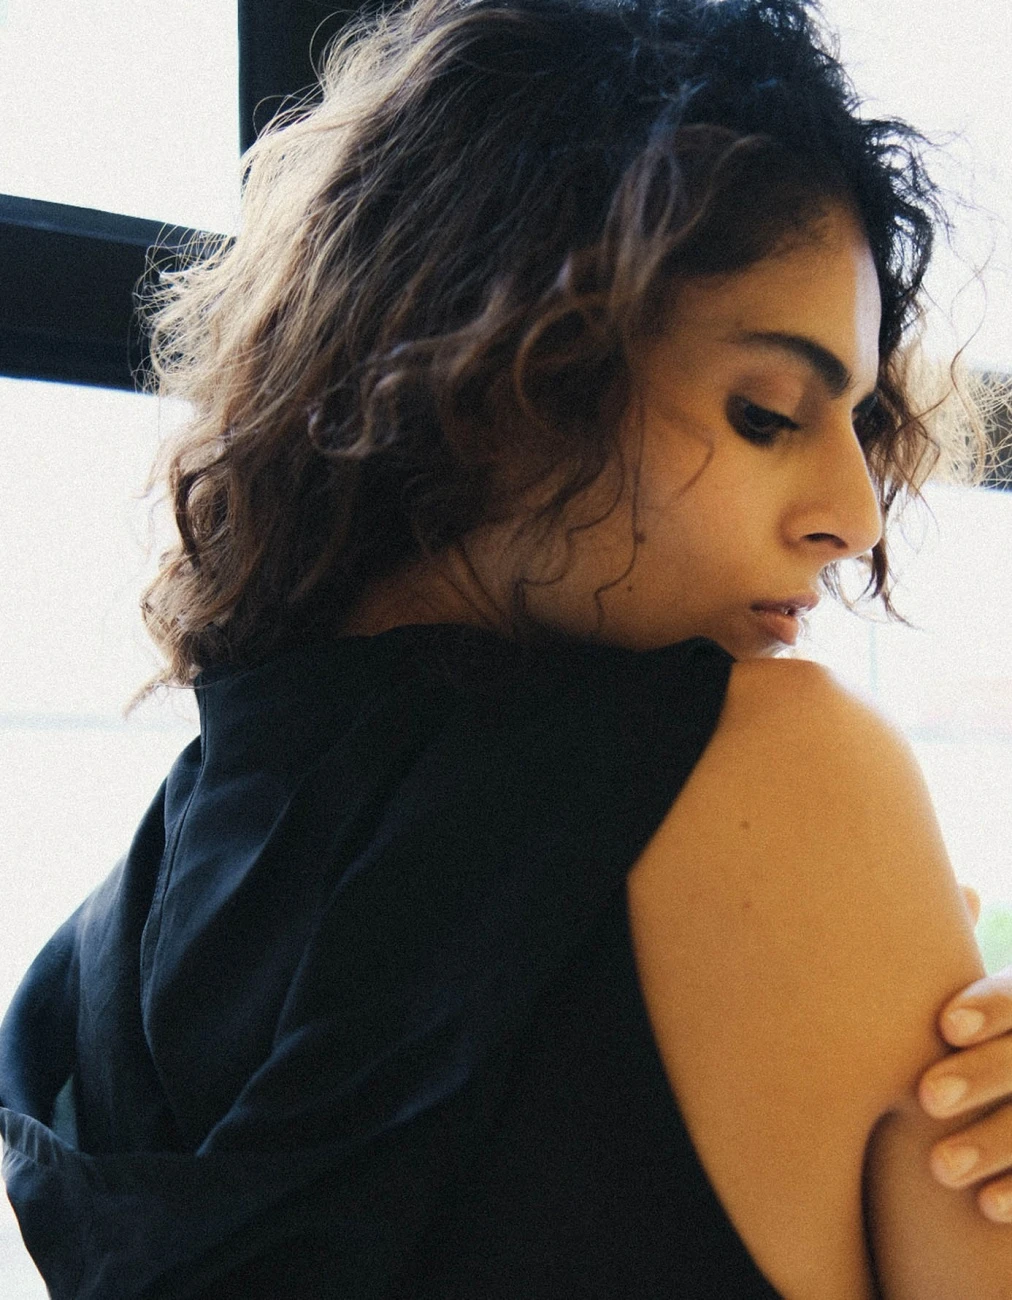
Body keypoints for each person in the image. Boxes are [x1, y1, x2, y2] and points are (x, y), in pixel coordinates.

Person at [2, 0, 1012, 1295]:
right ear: (498, 377)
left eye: (860, 423)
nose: (855, 516)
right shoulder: (784, 770)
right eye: (766, 412)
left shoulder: (120, 941)